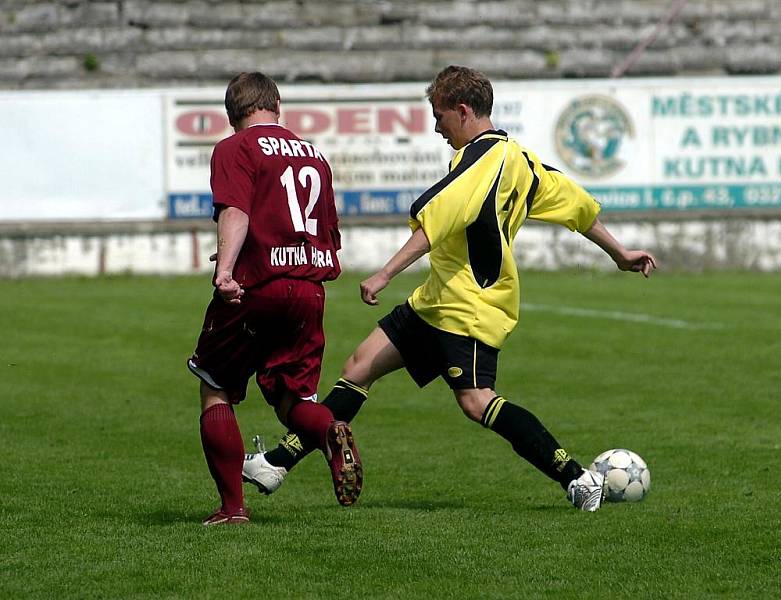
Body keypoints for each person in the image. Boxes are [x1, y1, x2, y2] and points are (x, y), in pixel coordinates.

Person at [243, 65, 657, 512]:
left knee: (477, 402)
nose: (437, 128)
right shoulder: (520, 159)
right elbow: (578, 206)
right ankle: (276, 463)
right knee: (360, 366)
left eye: (439, 116)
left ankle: (577, 478)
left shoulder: (480, 161)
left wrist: (385, 273)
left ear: (463, 111)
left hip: (469, 306)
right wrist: (619, 252)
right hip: (434, 302)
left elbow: (437, 218)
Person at [188, 72, 362, 526]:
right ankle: (330, 432)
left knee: (216, 389)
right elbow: (327, 231)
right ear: (277, 105)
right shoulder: (314, 155)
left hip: (256, 288)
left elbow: (237, 210)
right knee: (292, 399)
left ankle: (232, 509)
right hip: (308, 290)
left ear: (233, 114)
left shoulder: (235, 147)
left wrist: (225, 269)